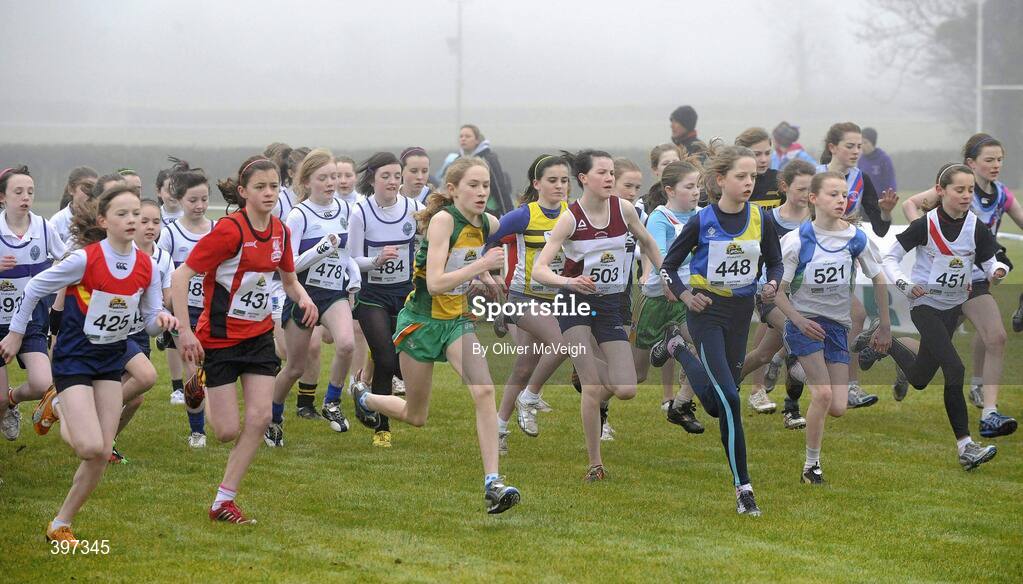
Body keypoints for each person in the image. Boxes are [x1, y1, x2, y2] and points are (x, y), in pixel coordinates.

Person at [0, 182, 176, 543]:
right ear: (103, 220)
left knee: (101, 451)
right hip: (75, 359)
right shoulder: (86, 258)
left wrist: (165, 322)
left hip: (111, 361)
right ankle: (61, 403)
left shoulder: (147, 266)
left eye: (137, 215)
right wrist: (17, 333)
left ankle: (60, 524)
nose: (132, 221)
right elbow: (34, 288)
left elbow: (149, 319)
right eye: (122, 214)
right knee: (90, 447)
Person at [350, 157, 521, 514]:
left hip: (457, 320)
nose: (481, 192)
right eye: (473, 185)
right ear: (453, 189)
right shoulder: (443, 221)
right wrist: (482, 267)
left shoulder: (488, 222)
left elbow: (471, 265)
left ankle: (493, 482)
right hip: (422, 322)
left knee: (485, 389)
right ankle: (365, 399)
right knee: (416, 415)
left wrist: (487, 282)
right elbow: (436, 282)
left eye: (485, 186)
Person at [172, 156, 317, 524]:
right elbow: (181, 276)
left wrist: (304, 297)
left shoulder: (281, 232)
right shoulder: (229, 231)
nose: (269, 193)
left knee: (260, 416)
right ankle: (197, 382)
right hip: (218, 339)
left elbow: (288, 279)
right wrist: (186, 331)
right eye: (260, 187)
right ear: (243, 192)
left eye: (274, 186)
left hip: (257, 337)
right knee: (225, 431)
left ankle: (224, 500)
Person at [650, 144, 784, 516]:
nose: (748, 182)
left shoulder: (762, 219)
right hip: (706, 312)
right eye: (741, 176)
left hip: (741, 314)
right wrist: (686, 296)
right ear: (720, 180)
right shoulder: (701, 221)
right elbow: (668, 266)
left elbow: (774, 263)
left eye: (753, 177)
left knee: (717, 402)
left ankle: (676, 346)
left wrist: (772, 284)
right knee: (730, 399)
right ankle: (744, 488)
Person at [531, 149, 664, 481]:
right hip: (574, 303)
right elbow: (539, 269)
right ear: (584, 179)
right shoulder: (570, 218)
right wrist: (569, 280)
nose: (609, 179)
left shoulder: (625, 209)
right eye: (602, 173)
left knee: (627, 388)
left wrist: (667, 275)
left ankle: (585, 366)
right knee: (593, 387)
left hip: (609, 304)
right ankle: (595, 464)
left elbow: (647, 242)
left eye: (611, 174)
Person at [872, 163, 1008, 470]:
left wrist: (998, 271)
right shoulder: (925, 224)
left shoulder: (976, 227)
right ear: (941, 191)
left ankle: (882, 342)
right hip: (925, 307)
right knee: (954, 369)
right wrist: (906, 285)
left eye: (970, 190)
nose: (966, 195)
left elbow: (990, 261)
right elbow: (889, 256)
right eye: (959, 189)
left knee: (920, 378)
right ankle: (966, 447)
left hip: (953, 308)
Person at [770, 171, 892, 484]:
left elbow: (879, 278)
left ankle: (796, 369)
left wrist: (885, 326)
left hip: (838, 326)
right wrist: (797, 320)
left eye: (844, 195)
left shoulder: (856, 238)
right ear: (813, 199)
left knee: (838, 407)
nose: (841, 200)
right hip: (803, 323)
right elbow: (776, 292)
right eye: (833, 194)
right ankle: (812, 467)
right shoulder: (797, 240)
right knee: (823, 395)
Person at [900, 133, 1019, 437]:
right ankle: (897, 349)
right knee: (932, 357)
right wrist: (929, 242)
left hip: (976, 281)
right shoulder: (955, 186)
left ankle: (989, 413)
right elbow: (911, 205)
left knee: (997, 336)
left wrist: (994, 261)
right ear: (971, 163)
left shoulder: (1002, 194)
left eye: (999, 159)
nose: (995, 165)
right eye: (988, 160)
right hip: (943, 285)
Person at [267, 149, 360, 447]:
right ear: (307, 182)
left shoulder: (345, 210)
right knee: (294, 367)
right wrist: (319, 249)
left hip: (333, 292)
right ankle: (273, 418)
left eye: (334, 176)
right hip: (303, 294)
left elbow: (345, 252)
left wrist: (353, 275)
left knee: (346, 344)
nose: (331, 182)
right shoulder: (298, 216)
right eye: (323, 178)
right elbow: (288, 266)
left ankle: (332, 402)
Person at [488, 154, 571, 454]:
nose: (560, 186)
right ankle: (530, 397)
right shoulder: (524, 215)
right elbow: (489, 237)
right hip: (523, 298)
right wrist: (487, 272)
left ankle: (498, 428)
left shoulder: (572, 214)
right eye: (552, 180)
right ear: (537, 184)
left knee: (523, 368)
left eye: (564, 180)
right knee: (562, 344)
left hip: (557, 301)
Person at [818, 122, 899, 409]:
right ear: (832, 147)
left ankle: (842, 387)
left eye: (859, 145)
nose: (856, 150)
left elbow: (878, 227)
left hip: (843, 263)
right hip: (812, 262)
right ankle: (843, 386)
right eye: (850, 145)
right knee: (855, 315)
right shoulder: (814, 177)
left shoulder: (861, 178)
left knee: (851, 318)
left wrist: (886, 212)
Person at [348, 152, 424, 447]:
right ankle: (382, 428)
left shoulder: (413, 208)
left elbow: (428, 240)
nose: (393, 181)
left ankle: (365, 397)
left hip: (405, 294)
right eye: (386, 176)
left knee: (399, 362)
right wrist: (376, 260)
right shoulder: (361, 213)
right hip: (372, 295)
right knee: (385, 357)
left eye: (396, 175)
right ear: (372, 179)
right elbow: (352, 259)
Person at [736, 160, 815, 429]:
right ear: (784, 187)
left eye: (811, 188)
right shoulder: (768, 220)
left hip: (804, 297)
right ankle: (791, 409)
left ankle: (725, 384)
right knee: (798, 332)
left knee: (762, 354)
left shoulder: (818, 222)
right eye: (801, 188)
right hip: (770, 293)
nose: (806, 194)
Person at [632, 160, 703, 433]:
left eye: (698, 186)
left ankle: (682, 404)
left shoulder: (702, 215)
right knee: (635, 376)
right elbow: (658, 253)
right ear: (670, 190)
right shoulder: (660, 217)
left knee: (702, 347)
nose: (696, 192)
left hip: (687, 297)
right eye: (689, 186)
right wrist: (668, 281)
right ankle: (601, 409)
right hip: (657, 298)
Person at [0, 166, 67, 442]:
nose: (25, 197)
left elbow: (66, 260)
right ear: (2, 197)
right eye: (18, 192)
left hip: (31, 321)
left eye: (30, 192)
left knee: (42, 384)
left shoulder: (42, 226)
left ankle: (11, 401)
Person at [108, 198, 174, 463]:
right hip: (115, 332)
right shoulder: (121, 251)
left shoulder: (163, 257)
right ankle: (92, 420)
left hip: (139, 333)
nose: (149, 227)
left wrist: (171, 315)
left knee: (134, 400)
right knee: (142, 380)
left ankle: (106, 441)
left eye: (155, 222)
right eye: (143, 220)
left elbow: (165, 301)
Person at [157, 160, 215, 448]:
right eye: (193, 200)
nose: (199, 205)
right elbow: (161, 273)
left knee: (213, 368)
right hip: (183, 312)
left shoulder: (218, 230)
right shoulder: (169, 234)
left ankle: (215, 417)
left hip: (214, 311)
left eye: (204, 199)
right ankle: (197, 431)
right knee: (192, 368)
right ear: (179, 200)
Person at [436, 125, 513, 217]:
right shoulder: (456, 159)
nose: (463, 139)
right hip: (462, 213)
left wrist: (508, 213)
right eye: (461, 136)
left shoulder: (489, 158)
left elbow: (499, 186)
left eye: (467, 136)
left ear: (477, 140)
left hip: (488, 211)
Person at [51, 166, 99, 243]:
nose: (92, 194)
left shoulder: (101, 220)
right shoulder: (57, 222)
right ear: (71, 189)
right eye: (87, 187)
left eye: (96, 189)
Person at [858, 128, 897, 194]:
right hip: (864, 200)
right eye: (860, 143)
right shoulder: (860, 159)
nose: (862, 146)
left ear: (873, 143)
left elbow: (890, 182)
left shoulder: (884, 159)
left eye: (865, 142)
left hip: (880, 201)